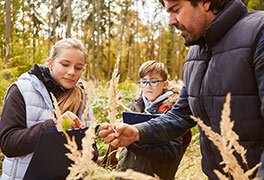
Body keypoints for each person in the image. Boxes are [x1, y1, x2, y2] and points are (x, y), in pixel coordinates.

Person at [99, 0, 264, 179]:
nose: (170, 21)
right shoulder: (195, 55)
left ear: (206, 3)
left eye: (175, 10)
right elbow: (180, 116)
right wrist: (137, 132)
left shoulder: (258, 33)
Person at [0, 38, 98, 180]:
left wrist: (91, 153)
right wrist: (53, 126)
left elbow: (91, 144)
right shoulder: (22, 90)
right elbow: (8, 144)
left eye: (78, 68)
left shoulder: (82, 98)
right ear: (50, 63)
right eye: (65, 64)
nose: (72, 72)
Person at [116, 60, 191, 180]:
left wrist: (132, 140)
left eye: (154, 81)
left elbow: (170, 153)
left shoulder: (174, 112)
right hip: (125, 175)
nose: (148, 86)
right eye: (144, 81)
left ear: (165, 84)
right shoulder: (133, 107)